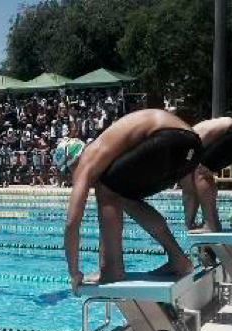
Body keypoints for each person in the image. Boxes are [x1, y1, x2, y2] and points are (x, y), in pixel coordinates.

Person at [64, 109, 202, 291]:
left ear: (74, 162)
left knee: (106, 190)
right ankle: (179, 260)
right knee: (125, 197)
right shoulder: (112, 150)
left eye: (68, 171)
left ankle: (112, 270)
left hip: (167, 138)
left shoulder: (87, 159)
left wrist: (74, 272)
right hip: (192, 145)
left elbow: (72, 223)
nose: (71, 176)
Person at [180, 117, 232, 232]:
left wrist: (188, 223)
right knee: (203, 171)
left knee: (201, 172)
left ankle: (211, 225)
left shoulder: (185, 147)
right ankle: (214, 223)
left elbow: (188, 192)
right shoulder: (188, 137)